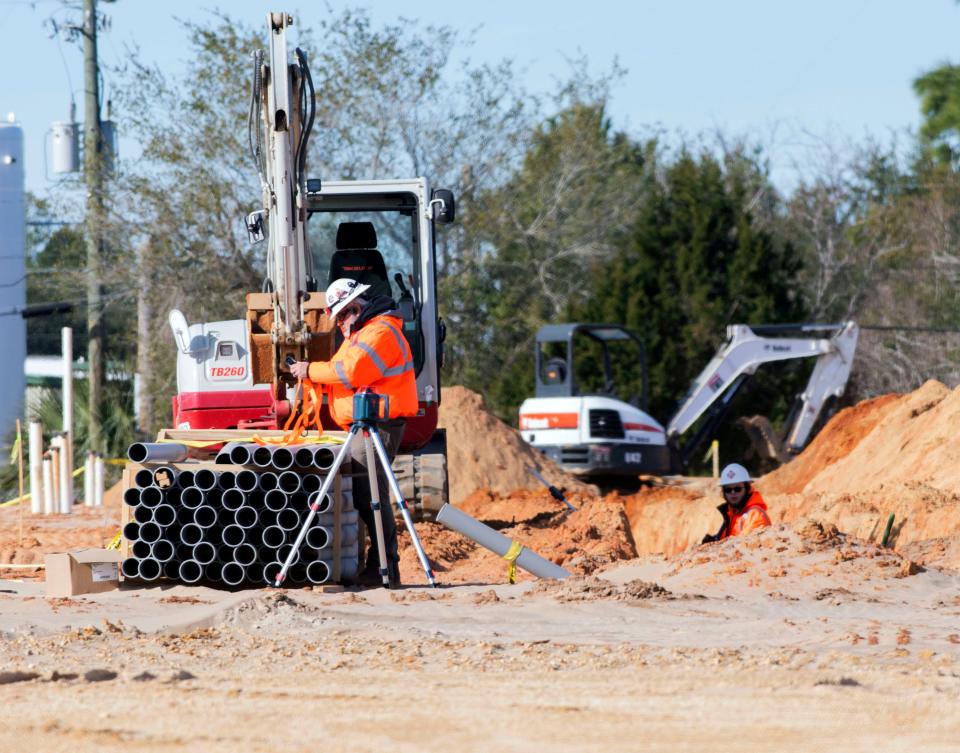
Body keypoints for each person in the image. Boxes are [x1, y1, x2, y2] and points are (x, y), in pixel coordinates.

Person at [290, 278, 418, 587]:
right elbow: (340, 371)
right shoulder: (363, 333)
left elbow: (351, 372)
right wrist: (314, 379)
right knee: (364, 496)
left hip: (378, 425)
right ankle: (376, 565)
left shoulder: (381, 332)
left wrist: (308, 370)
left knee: (371, 496)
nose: (339, 325)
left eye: (341, 316)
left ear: (355, 308)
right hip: (365, 425)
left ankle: (384, 568)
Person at [701, 463, 771, 544]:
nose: (733, 493)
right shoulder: (733, 514)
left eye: (738, 489)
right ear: (723, 492)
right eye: (728, 490)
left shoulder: (755, 514)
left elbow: (747, 546)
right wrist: (714, 541)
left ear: (748, 489)